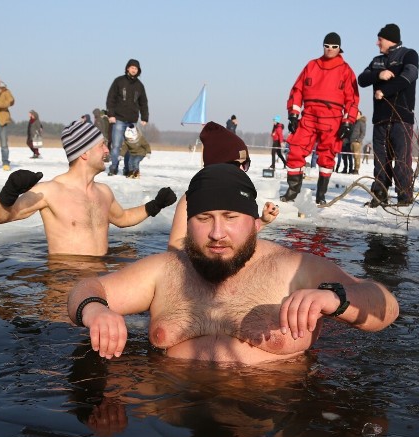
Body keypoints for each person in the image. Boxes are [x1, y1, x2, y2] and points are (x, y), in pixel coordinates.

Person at [68, 162, 399, 363]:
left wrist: (334, 297)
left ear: (255, 222)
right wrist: (95, 309)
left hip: (272, 424)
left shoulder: (293, 268)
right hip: (175, 414)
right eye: (203, 218)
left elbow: (385, 305)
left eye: (230, 217)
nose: (216, 232)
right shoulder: (167, 269)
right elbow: (87, 288)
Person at [0, 119, 176, 256]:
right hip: (64, 283)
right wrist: (9, 191)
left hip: (100, 278)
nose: (106, 150)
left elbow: (123, 218)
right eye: (101, 145)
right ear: (84, 153)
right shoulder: (50, 191)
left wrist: (155, 205)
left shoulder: (103, 192)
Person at [168, 121, 278, 251]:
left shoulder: (240, 194)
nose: (242, 170)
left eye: (246, 164)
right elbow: (174, 245)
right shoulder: (192, 197)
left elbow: (239, 236)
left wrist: (262, 222)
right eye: (238, 165)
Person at [282, 32, 360, 206]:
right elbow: (298, 90)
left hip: (332, 118)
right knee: (296, 150)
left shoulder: (346, 70)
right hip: (309, 115)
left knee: (327, 156)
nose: (330, 49)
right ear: (322, 46)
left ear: (340, 48)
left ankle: (321, 194)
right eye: (327, 46)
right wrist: (294, 114)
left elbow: (352, 99)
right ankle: (292, 191)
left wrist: (348, 122)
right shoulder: (311, 65)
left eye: (334, 47)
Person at [357, 23, 419, 206]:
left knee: (402, 160)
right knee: (380, 161)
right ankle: (379, 195)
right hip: (381, 119)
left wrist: (386, 91)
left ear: (390, 39)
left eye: (380, 39)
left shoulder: (409, 54)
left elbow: (410, 76)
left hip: (402, 118)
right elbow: (362, 79)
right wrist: (379, 75)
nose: (377, 43)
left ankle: (404, 197)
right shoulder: (377, 60)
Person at [106, 59, 148, 176]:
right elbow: (111, 98)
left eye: (136, 68)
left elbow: (143, 102)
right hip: (118, 119)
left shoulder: (139, 86)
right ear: (127, 68)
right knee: (117, 146)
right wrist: (111, 115)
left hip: (132, 121)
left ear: (138, 71)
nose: (134, 70)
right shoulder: (119, 81)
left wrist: (144, 117)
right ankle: (113, 167)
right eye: (132, 67)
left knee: (131, 147)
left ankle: (127, 169)